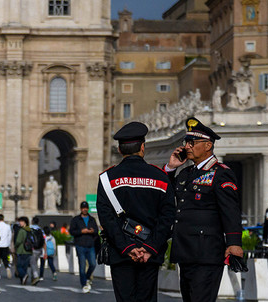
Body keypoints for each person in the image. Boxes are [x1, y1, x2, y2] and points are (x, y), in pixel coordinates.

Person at [96, 121, 177, 302]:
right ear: (143, 148)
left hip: (121, 253)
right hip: (150, 253)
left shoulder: (107, 178)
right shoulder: (160, 177)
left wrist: (128, 248)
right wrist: (149, 248)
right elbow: (168, 217)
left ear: (120, 150)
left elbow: (107, 219)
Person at [165, 117, 243, 302]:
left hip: (207, 253)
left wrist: (234, 242)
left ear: (208, 145)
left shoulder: (221, 173)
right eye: (186, 143)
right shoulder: (185, 173)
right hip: (185, 252)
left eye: (192, 143)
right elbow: (165, 195)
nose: (187, 147)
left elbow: (230, 210)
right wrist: (170, 168)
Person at [69, 201, 100, 292]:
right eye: (83, 208)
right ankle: (84, 284)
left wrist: (92, 231)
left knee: (93, 264)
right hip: (80, 245)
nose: (84, 209)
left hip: (90, 245)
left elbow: (96, 231)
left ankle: (87, 278)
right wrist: (81, 231)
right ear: (81, 209)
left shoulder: (92, 219)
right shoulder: (75, 219)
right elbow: (72, 231)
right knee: (82, 266)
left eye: (86, 208)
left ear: (88, 208)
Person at [12, 216, 33, 284]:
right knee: (25, 266)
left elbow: (18, 241)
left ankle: (24, 275)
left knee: (19, 266)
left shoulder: (21, 230)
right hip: (29, 250)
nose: (19, 223)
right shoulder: (30, 230)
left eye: (21, 221)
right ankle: (23, 280)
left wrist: (15, 247)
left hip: (21, 250)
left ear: (24, 222)